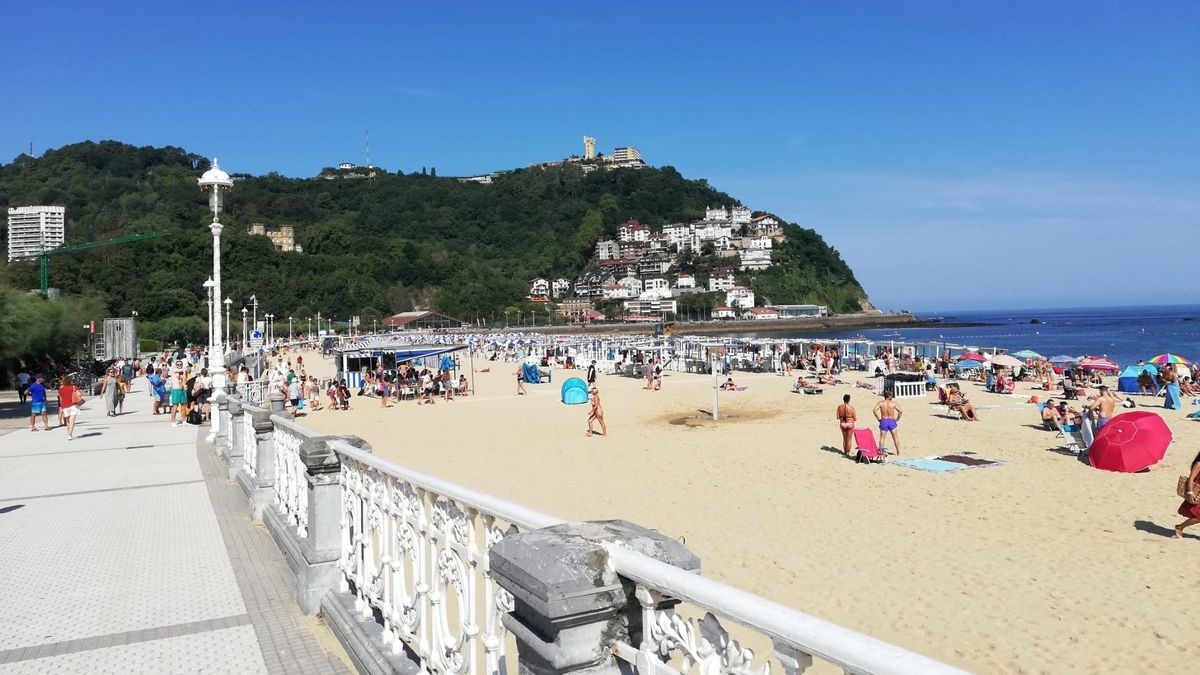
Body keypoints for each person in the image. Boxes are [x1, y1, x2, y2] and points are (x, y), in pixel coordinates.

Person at [1176, 450, 1200, 539]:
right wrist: (1190, 492)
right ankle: (1180, 527)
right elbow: (1191, 478)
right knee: (1198, 516)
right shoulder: (1198, 464)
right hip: (1197, 493)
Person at [58, 375, 83, 439]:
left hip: (65, 406)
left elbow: (61, 398)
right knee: (72, 420)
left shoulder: (61, 389)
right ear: (70, 381)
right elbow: (79, 394)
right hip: (73, 405)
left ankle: (69, 433)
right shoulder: (73, 387)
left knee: (68, 421)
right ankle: (70, 434)